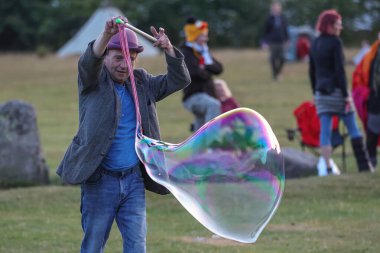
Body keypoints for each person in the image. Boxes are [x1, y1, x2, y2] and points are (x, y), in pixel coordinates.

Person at [56, 16, 190, 253]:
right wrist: (107, 34)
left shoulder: (142, 82)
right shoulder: (93, 82)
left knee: (137, 245)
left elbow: (179, 80)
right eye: (118, 57)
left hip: (133, 180)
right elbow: (88, 62)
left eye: (131, 58)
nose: (124, 64)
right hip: (100, 181)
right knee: (94, 245)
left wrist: (169, 49)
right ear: (106, 56)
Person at [309, 9, 374, 174]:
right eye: (338, 24)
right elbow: (339, 71)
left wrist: (314, 92)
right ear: (330, 25)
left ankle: (327, 167)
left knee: (325, 130)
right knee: (353, 127)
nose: (341, 27)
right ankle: (364, 166)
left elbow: (312, 71)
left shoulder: (315, 43)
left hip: (320, 93)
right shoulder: (336, 42)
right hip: (337, 92)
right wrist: (346, 96)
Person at [180, 17, 223, 131]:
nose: (206, 38)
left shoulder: (204, 51)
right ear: (195, 36)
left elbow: (218, 68)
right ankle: (211, 143)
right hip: (193, 96)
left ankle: (198, 146)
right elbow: (195, 73)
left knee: (201, 125)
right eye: (203, 35)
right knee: (213, 105)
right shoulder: (185, 52)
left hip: (208, 94)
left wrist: (205, 66)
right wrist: (206, 70)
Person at [352, 32, 380, 168]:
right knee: (372, 132)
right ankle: (372, 162)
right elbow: (360, 76)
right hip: (374, 100)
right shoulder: (371, 55)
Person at [263, 1, 289, 81]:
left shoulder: (283, 17)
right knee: (273, 59)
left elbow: (285, 29)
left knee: (283, 59)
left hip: (281, 41)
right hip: (272, 42)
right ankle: (275, 76)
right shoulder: (269, 18)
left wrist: (287, 40)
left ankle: (278, 72)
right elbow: (265, 31)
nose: (276, 9)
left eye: (278, 7)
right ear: (272, 8)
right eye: (274, 7)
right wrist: (265, 42)